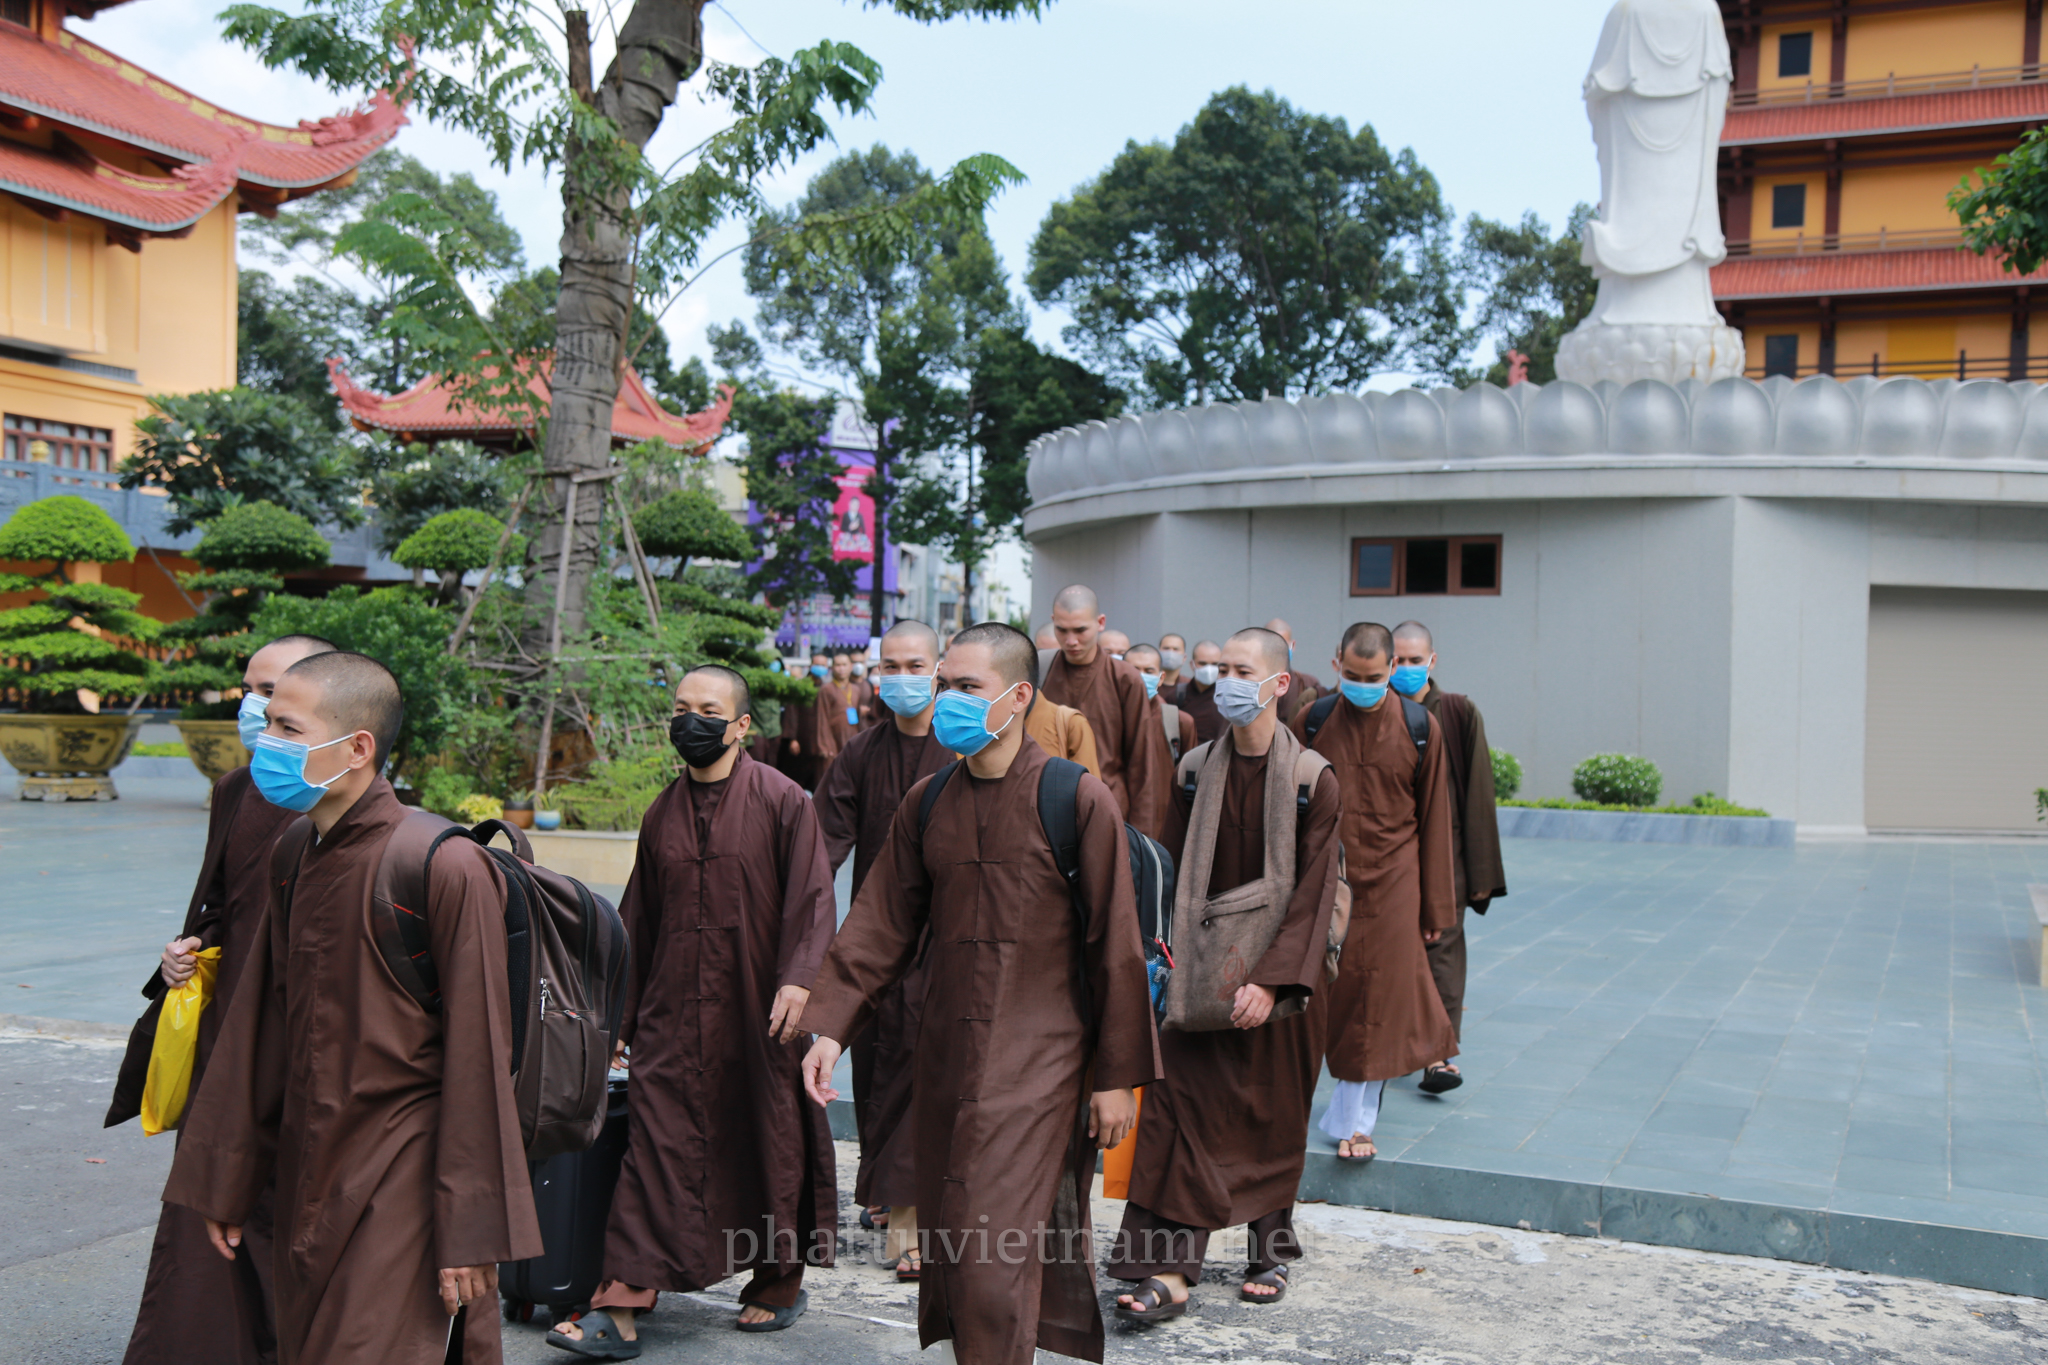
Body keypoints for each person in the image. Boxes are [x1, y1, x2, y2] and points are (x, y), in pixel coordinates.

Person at [162, 651, 541, 1365]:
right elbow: (259, 1027)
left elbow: (483, 1057)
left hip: (405, 1170)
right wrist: (229, 1177)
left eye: (287, 727)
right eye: (267, 723)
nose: (265, 740)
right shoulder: (295, 850)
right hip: (312, 1161)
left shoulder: (443, 863)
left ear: (357, 746)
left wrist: (471, 1227)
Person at [800, 623, 1160, 1365]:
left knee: (991, 1257)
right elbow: (880, 923)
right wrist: (829, 1027)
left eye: (968, 687)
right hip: (945, 1057)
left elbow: (1116, 948)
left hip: (1042, 1063)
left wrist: (1115, 1077)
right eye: (945, 686)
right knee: (957, 1237)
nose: (947, 702)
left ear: (1018, 696)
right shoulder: (928, 801)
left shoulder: (1074, 798)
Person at [551, 665, 839, 1354]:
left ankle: (777, 1280)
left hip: (760, 1013)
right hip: (672, 1017)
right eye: (681, 708)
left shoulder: (783, 800)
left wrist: (800, 982)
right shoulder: (661, 812)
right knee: (655, 1149)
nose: (691, 721)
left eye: (708, 709)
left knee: (768, 1143)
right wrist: (616, 1019)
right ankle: (621, 1301)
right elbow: (638, 923)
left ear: (741, 725)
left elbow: (812, 899)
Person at [1107, 627, 1342, 1324]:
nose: (1227, 683)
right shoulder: (1193, 769)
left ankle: (1270, 1249)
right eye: (1224, 671)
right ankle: (1169, 1266)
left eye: (1244, 671)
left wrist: (1271, 982)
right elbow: (1170, 870)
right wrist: (1160, 960)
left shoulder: (1313, 779)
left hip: (1283, 977)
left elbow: (1318, 892)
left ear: (1279, 683)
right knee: (1178, 1111)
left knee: (1271, 1113)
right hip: (1200, 972)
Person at [117, 634, 336, 1365]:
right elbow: (221, 904)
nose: (255, 709)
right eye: (251, 692)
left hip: (309, 1043)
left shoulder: (350, 803)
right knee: (208, 1200)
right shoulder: (236, 790)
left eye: (272, 694)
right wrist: (185, 951)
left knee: (288, 1209)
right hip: (227, 1030)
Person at [811, 621, 951, 1276]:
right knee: (874, 1068)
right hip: (876, 940)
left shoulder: (963, 748)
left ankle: (909, 1216)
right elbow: (820, 849)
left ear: (938, 668)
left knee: (924, 1070)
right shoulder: (861, 753)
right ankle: (885, 1186)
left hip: (949, 938)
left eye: (914, 665)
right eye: (889, 665)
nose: (901, 677)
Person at [1290, 623, 1457, 1163]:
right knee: (1323, 994)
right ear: (1336, 663)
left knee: (1378, 998)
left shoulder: (1420, 726)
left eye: (1375, 678)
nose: (1363, 686)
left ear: (1392, 669)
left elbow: (1435, 819)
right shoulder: (1313, 720)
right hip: (1325, 876)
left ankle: (1356, 1122)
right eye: (1353, 676)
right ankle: (1294, 1103)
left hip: (1395, 881)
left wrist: (1435, 908)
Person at [1391, 621, 1508, 1094]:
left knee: (1442, 953)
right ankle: (1398, 1044)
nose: (1405, 668)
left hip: (1448, 856)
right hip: (1392, 857)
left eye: (1415, 660)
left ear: (1432, 661)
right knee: (1393, 955)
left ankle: (1438, 1055)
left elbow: (1478, 793)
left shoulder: (1458, 712)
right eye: (1398, 660)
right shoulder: (1376, 711)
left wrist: (1480, 873)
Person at [1043, 584, 1172, 840]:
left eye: (1080, 630)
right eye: (1062, 630)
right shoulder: (1041, 672)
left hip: (1108, 812)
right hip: (1047, 812)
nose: (1071, 641)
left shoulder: (1125, 679)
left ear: (1100, 623)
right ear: (1053, 621)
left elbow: (1141, 764)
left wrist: (1140, 838)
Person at [1124, 643, 1193, 764]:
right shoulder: (1108, 717)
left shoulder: (1180, 722)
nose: (1141, 677)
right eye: (1134, 670)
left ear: (1161, 678)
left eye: (1149, 671)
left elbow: (1188, 769)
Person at [780, 652, 833, 791]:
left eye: (823, 665)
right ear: (810, 665)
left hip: (820, 739)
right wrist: (792, 738)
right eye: (817, 664)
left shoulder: (827, 688)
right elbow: (791, 713)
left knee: (818, 779)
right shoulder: (801, 686)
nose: (820, 667)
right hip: (802, 738)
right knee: (798, 778)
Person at [814, 651, 872, 775]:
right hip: (833, 740)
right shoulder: (826, 689)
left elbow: (859, 719)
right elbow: (822, 718)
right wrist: (825, 745)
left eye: (844, 665)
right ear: (832, 668)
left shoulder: (855, 689)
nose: (841, 669)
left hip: (851, 737)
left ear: (850, 667)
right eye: (838, 665)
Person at [1263, 618, 1324, 724]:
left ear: (1293, 645)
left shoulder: (1308, 684)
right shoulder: (1254, 684)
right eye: (1272, 646)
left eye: (1283, 645)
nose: (1278, 651)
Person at [1175, 639, 1226, 745]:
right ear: (1192, 664)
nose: (1208, 669)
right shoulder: (1177, 696)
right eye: (1202, 663)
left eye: (1214, 664)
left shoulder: (1228, 698)